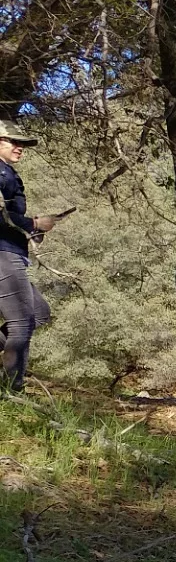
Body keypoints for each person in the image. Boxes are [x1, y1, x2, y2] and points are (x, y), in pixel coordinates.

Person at [0, 120, 55, 392]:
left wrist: (30, 229)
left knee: (39, 313)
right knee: (22, 322)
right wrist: (33, 224)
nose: (19, 147)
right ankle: (13, 391)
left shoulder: (6, 171)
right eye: (12, 141)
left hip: (10, 251)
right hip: (3, 254)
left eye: (21, 143)